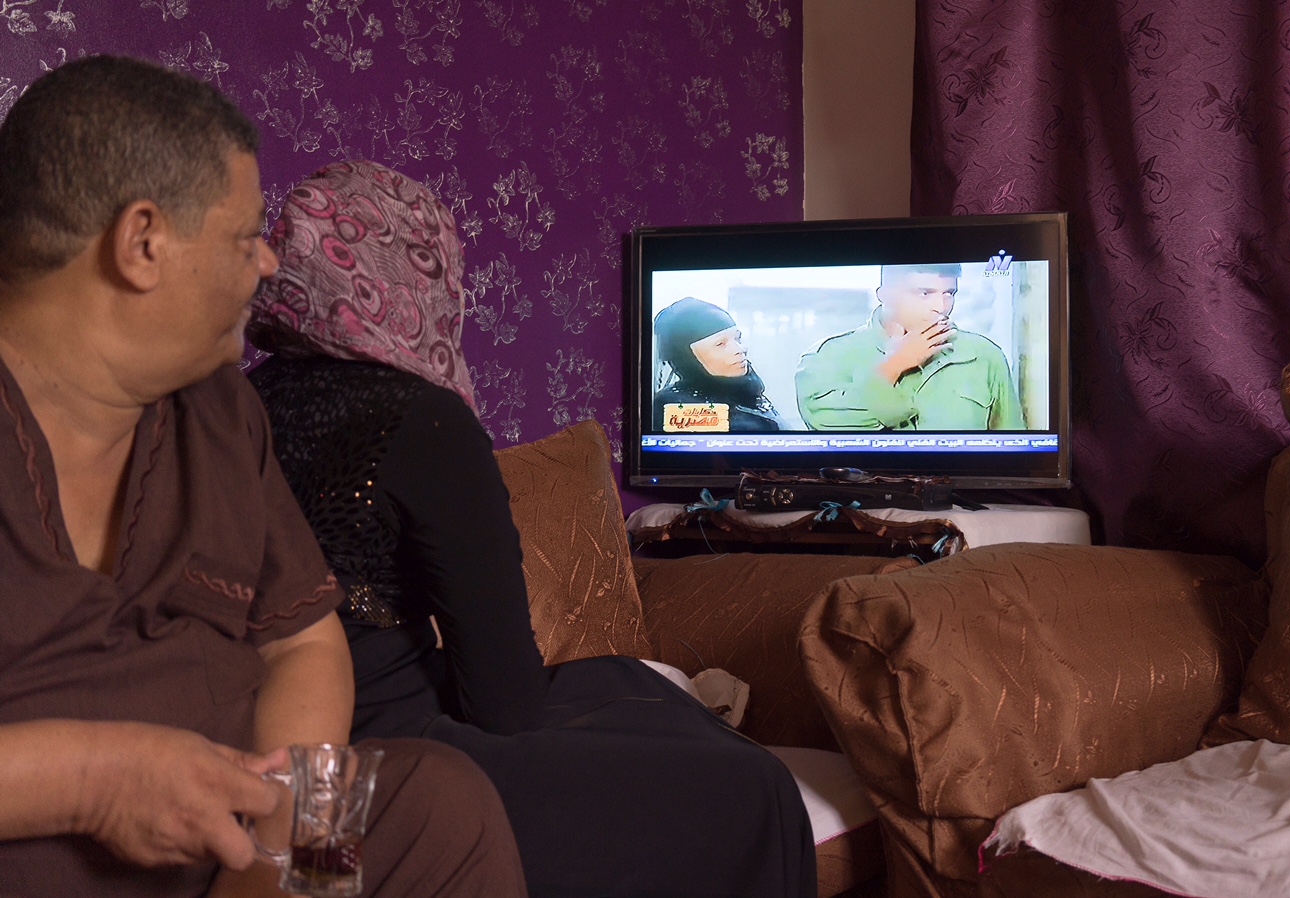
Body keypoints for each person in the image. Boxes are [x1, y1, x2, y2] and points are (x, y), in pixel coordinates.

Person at [0, 55, 527, 897]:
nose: (272, 267)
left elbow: (303, 641)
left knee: (439, 805)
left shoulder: (219, 409)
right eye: (247, 238)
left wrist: (278, 848)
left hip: (222, 851)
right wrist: (93, 780)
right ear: (142, 244)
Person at [246, 159, 817, 898]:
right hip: (395, 753)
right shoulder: (423, 420)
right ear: (415, 274)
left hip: (277, 741)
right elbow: (504, 704)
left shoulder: (235, 403)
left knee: (620, 680)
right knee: (752, 785)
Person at [795, 262, 1026, 430]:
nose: (941, 306)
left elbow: (1012, 451)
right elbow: (826, 428)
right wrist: (891, 367)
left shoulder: (983, 355)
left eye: (949, 293)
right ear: (884, 295)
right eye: (925, 293)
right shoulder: (827, 357)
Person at [652, 296, 783, 431]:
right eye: (720, 344)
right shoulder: (678, 409)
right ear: (687, 358)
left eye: (738, 338)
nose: (740, 349)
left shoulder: (747, 393)